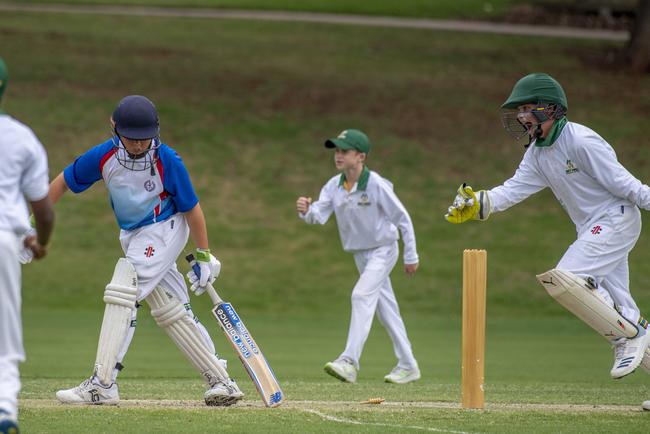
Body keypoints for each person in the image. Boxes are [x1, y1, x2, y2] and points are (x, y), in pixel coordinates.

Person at [445, 73, 650, 385]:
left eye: (527, 109)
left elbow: (627, 186)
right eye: (520, 111)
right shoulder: (538, 154)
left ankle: (628, 336)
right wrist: (477, 204)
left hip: (616, 219)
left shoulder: (581, 141)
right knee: (621, 306)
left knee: (567, 279)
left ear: (550, 109)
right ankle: (634, 329)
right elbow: (512, 190)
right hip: (592, 230)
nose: (522, 117)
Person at [50, 95, 243, 406]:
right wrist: (34, 222)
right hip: (134, 235)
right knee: (170, 308)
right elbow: (62, 182)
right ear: (114, 128)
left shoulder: (167, 160)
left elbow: (192, 209)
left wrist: (204, 254)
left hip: (165, 227)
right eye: (131, 138)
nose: (138, 145)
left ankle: (102, 384)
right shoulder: (103, 157)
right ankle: (221, 380)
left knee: (123, 287)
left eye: (144, 138)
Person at [296, 129, 420, 384]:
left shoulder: (376, 184)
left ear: (360, 156)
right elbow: (318, 215)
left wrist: (411, 255)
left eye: (344, 151)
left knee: (360, 295)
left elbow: (403, 219)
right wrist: (306, 210)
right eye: (337, 151)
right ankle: (408, 365)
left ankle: (349, 362)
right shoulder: (334, 185)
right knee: (387, 310)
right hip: (360, 254)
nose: (338, 156)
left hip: (384, 249)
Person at [0, 57, 55, 434]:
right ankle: (4, 412)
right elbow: (44, 210)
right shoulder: (21, 138)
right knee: (4, 337)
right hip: (4, 239)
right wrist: (40, 244)